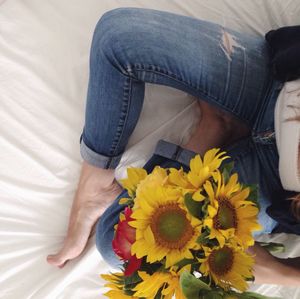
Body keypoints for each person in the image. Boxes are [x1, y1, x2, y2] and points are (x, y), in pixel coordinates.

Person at [46, 8, 300, 285]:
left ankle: (211, 130)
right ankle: (96, 180)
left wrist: (279, 272)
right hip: (281, 80)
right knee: (119, 37)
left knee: (127, 248)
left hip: (273, 185)